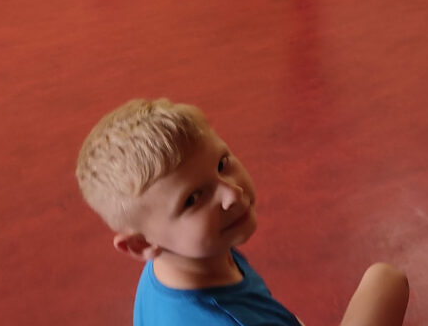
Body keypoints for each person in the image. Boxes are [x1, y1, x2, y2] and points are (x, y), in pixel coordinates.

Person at [75, 98, 409, 326]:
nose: (232, 194)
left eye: (222, 164)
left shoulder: (172, 263)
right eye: (193, 199)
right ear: (140, 244)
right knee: (386, 282)